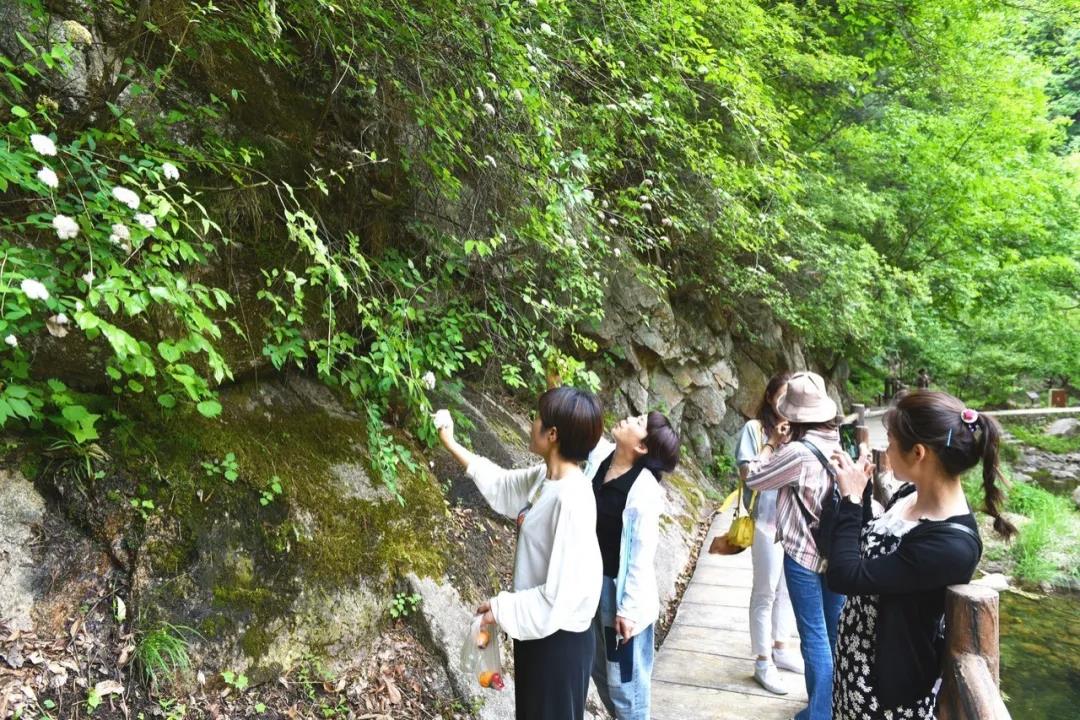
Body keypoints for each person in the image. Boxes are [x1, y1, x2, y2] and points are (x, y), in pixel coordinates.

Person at [826, 392, 1014, 719]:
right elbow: (870, 545)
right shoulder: (909, 493)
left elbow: (845, 576)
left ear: (918, 453)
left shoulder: (951, 546)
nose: (886, 451)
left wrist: (851, 500)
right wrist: (864, 489)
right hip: (854, 666)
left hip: (884, 695)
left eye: (891, 443)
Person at [435, 387, 604, 720]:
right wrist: (451, 443)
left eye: (537, 418)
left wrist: (500, 609)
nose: (531, 423)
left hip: (560, 642)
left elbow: (559, 597)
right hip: (538, 630)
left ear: (552, 434)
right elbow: (502, 484)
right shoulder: (546, 478)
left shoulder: (572, 500)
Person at [745, 371, 845, 720]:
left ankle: (819, 714)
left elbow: (754, 478)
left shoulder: (798, 452)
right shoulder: (836, 442)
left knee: (814, 636)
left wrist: (772, 443)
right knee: (833, 632)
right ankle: (832, 706)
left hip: (804, 554)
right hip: (837, 553)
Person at [582, 411, 680, 719]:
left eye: (638, 422)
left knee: (626, 685)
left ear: (641, 447)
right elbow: (578, 429)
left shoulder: (644, 490)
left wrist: (628, 610)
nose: (629, 418)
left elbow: (641, 554)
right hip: (590, 586)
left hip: (619, 597)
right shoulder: (602, 457)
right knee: (598, 670)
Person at [733, 373, 803, 695]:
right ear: (770, 396)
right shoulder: (755, 429)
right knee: (765, 591)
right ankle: (762, 662)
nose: (786, 403)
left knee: (786, 589)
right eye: (782, 396)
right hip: (764, 521)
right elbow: (748, 474)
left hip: (794, 523)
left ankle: (780, 648)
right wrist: (772, 443)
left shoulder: (800, 432)